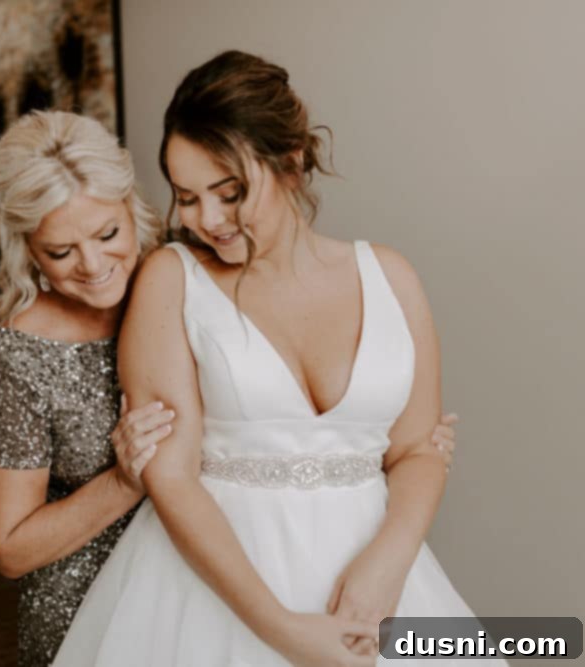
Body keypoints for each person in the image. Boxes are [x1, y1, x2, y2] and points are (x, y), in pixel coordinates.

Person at [51, 51, 493, 667]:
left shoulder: (391, 277)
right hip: (215, 598)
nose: (206, 219)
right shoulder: (171, 279)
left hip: (378, 590)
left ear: (292, 161)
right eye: (187, 197)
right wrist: (282, 629)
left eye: (229, 193)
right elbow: (170, 475)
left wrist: (388, 566)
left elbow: (418, 449)